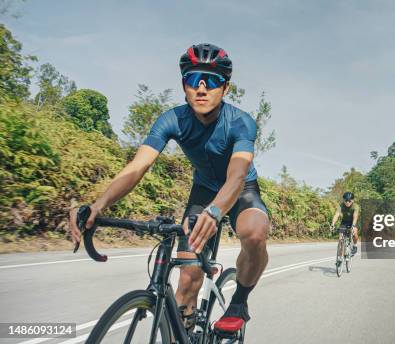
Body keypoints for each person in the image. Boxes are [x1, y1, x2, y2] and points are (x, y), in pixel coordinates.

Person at [69, 43, 269, 334]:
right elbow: (137, 167)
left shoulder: (241, 122)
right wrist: (98, 205)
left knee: (254, 233)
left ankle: (238, 301)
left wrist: (215, 212)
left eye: (211, 81)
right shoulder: (171, 119)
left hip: (240, 189)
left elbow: (236, 176)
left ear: (225, 89)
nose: (201, 88)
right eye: (193, 79)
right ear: (183, 86)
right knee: (188, 279)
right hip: (202, 190)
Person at [331, 192, 360, 256]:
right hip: (344, 221)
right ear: (343, 200)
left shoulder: (355, 206)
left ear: (352, 200)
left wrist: (353, 226)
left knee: (355, 233)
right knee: (340, 238)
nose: (347, 202)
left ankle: (355, 246)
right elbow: (336, 215)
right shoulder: (341, 206)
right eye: (346, 200)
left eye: (349, 200)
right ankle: (339, 257)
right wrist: (332, 224)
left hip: (353, 221)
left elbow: (355, 216)